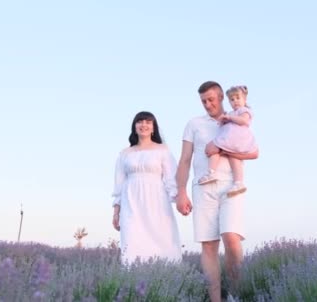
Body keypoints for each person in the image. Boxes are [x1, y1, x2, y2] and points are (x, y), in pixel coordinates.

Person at [175, 81, 259, 301]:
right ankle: (216, 299)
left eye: (211, 99)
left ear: (222, 97)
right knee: (209, 245)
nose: (207, 104)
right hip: (203, 188)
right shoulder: (194, 124)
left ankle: (236, 294)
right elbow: (184, 160)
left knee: (231, 236)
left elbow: (254, 152)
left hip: (232, 185)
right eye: (203, 101)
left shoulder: (237, 119)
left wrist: (220, 147)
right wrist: (180, 192)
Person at [111, 111, 182, 265]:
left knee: (163, 240)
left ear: (153, 127)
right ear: (134, 126)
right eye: (140, 121)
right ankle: (133, 284)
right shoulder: (124, 154)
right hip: (131, 203)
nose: (143, 125)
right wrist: (116, 212)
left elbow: (172, 179)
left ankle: (167, 281)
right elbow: (119, 185)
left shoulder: (162, 149)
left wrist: (179, 200)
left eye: (148, 122)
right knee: (131, 241)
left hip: (157, 201)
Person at [198, 85, 258, 198]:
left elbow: (244, 121)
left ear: (244, 99)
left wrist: (229, 118)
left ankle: (211, 172)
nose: (235, 101)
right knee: (234, 159)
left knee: (214, 147)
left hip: (235, 138)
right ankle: (238, 182)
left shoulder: (244, 111)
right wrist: (223, 121)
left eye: (237, 98)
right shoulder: (231, 113)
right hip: (234, 140)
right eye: (232, 99)